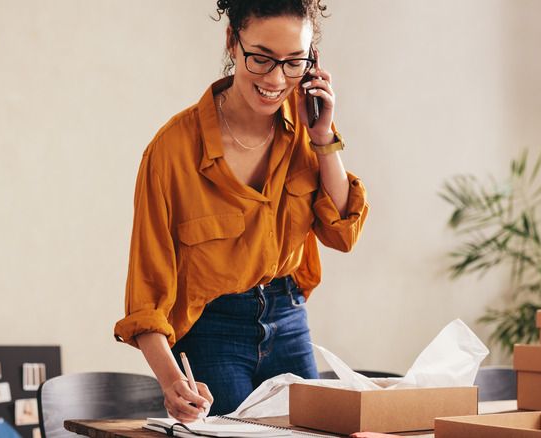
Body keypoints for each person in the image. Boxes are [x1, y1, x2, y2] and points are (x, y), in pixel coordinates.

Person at [114, 0, 369, 423]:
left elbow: (343, 233)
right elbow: (147, 294)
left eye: (294, 63)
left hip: (287, 316)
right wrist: (171, 379)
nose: (276, 79)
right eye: (261, 58)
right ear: (232, 41)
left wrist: (323, 137)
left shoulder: (309, 128)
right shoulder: (172, 151)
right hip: (213, 329)